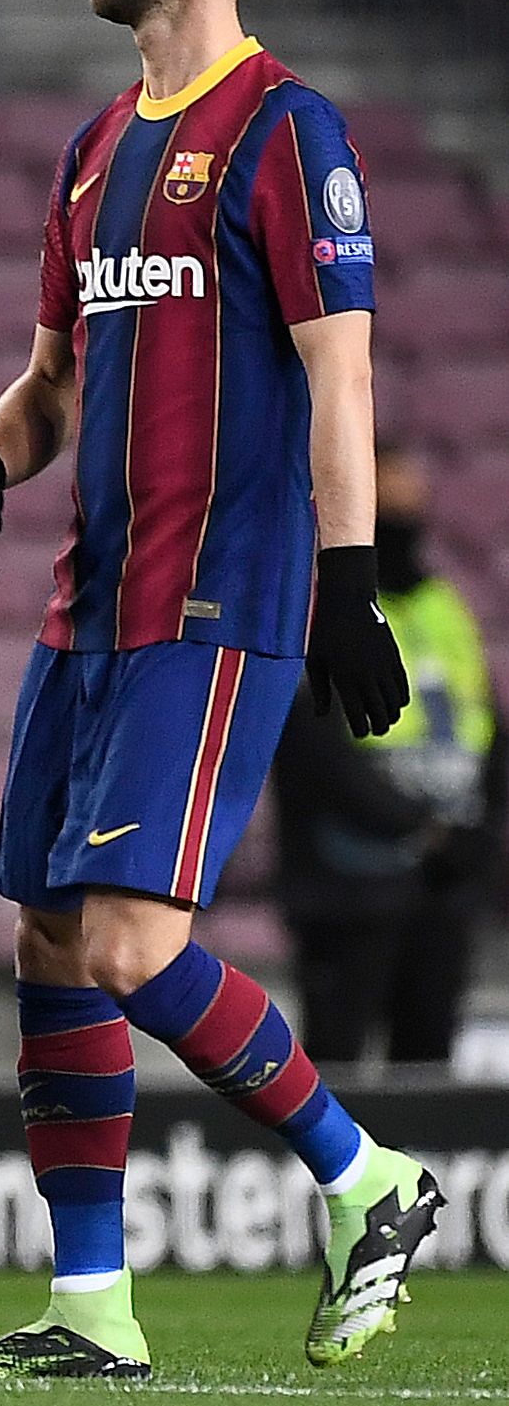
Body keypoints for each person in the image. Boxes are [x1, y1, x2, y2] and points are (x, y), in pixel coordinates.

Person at [0, 0, 440, 1383]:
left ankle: (365, 1177)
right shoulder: (93, 152)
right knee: (47, 937)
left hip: (215, 602)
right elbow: (48, 380)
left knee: (129, 944)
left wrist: (344, 582)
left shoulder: (284, 131)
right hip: (89, 603)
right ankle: (90, 1307)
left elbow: (338, 378)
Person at [271, 443, 500, 1068]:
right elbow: (315, 751)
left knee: (427, 1066)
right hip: (347, 881)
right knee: (336, 1063)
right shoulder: (315, 608)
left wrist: (481, 836)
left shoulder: (446, 608)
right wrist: (423, 827)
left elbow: (486, 725)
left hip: (443, 886)